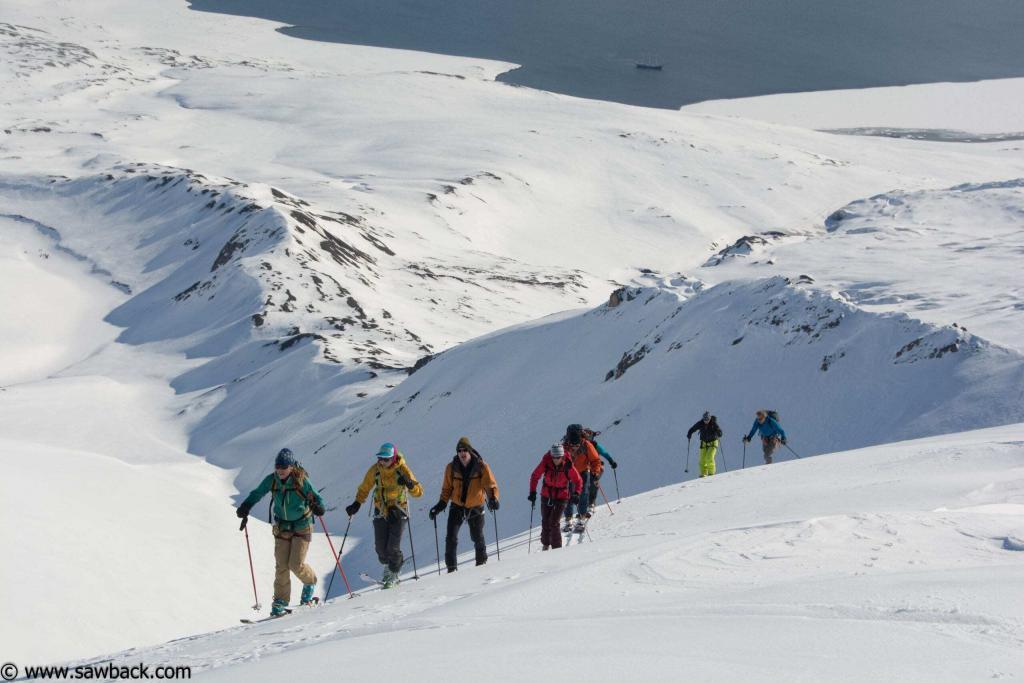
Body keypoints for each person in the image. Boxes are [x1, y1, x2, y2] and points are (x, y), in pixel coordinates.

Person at [236, 448, 326, 616]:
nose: (280, 470)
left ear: (291, 467)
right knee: (281, 566)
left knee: (295, 564)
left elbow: (318, 499)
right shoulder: (272, 480)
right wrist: (246, 506)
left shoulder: (301, 480)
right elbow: (257, 493)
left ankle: (310, 582)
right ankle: (280, 602)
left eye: (284, 467)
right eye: (278, 467)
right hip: (282, 527)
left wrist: (318, 507)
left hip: (302, 525)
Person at [344, 442, 423, 588]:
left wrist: (409, 483)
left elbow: (418, 492)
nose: (382, 461)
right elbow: (365, 487)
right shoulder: (375, 470)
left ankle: (393, 573)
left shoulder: (402, 469)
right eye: (380, 458)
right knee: (380, 549)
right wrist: (357, 504)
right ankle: (390, 566)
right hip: (380, 510)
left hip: (399, 510)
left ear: (393, 458)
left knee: (392, 547)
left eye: (385, 459)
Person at [428, 437, 500, 572]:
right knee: (451, 537)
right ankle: (451, 568)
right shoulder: (451, 467)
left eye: (464, 450)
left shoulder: (481, 466)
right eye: (459, 450)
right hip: (457, 506)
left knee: (477, 536)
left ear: (470, 450)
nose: (462, 453)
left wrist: (493, 498)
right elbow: (447, 489)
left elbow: (490, 485)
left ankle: (481, 563)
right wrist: (440, 505)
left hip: (476, 506)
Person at [529, 442, 583, 550]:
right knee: (545, 520)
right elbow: (535, 476)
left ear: (562, 456)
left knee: (554, 522)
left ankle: (556, 548)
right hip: (546, 494)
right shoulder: (546, 462)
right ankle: (545, 544)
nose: (556, 459)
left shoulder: (568, 465)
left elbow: (578, 480)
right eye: (554, 457)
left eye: (558, 457)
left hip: (562, 495)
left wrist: (577, 493)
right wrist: (532, 492)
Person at [563, 424, 602, 530]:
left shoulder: (586, 445)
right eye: (572, 445)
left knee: (583, 494)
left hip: (583, 472)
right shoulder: (565, 446)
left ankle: (581, 518)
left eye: (576, 445)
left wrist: (596, 472)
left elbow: (595, 461)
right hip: (570, 473)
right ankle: (569, 519)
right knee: (568, 495)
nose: (574, 447)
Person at [582, 427, 617, 505]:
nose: (588, 438)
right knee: (587, 485)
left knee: (592, 483)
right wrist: (611, 462)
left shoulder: (594, 445)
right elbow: (604, 453)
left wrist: (611, 461)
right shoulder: (586, 446)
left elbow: (604, 453)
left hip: (595, 467)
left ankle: (591, 503)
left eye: (589, 436)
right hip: (587, 468)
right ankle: (588, 504)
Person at [687, 411, 723, 477]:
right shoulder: (700, 423)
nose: (706, 421)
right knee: (702, 460)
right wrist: (689, 433)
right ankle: (703, 473)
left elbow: (720, 432)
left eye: (707, 419)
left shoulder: (713, 424)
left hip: (713, 443)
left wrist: (719, 433)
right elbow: (693, 428)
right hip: (703, 443)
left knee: (709, 457)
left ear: (709, 418)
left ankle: (711, 473)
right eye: (705, 419)